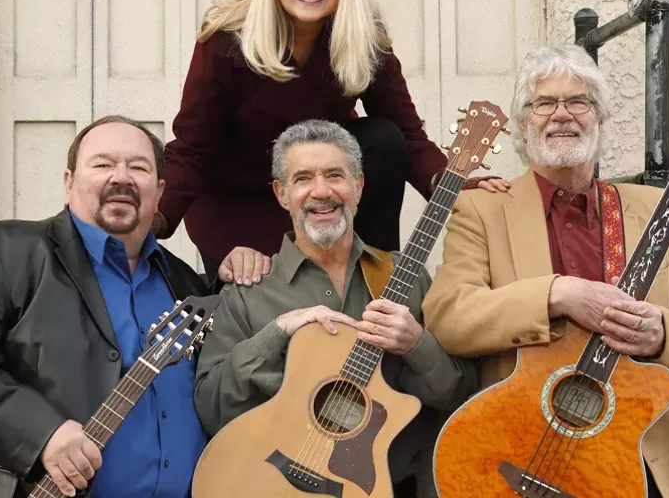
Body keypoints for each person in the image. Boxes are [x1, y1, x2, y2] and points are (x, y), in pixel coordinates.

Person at [422, 45, 669, 498]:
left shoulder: (656, 211)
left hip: (638, 457)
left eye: (579, 102)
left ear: (600, 119)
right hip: (520, 453)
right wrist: (557, 294)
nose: (562, 115)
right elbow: (449, 316)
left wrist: (662, 332)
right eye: (544, 103)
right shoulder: (482, 209)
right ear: (521, 124)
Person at [0, 116, 267, 498]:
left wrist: (235, 275)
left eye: (139, 167)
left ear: (159, 190)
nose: (122, 177)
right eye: (102, 164)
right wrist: (41, 434)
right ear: (68, 183)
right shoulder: (7, 251)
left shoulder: (184, 281)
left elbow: (217, 384)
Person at [154, 0, 506, 278]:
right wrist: (156, 218)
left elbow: (406, 133)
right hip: (239, 205)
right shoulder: (226, 41)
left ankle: (378, 272)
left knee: (382, 139)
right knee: (258, 319)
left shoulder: (363, 37)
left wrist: (447, 182)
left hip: (322, 194)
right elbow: (193, 148)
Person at [194, 120, 476, 498]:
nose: (321, 192)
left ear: (358, 186)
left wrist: (416, 343)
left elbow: (459, 399)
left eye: (334, 175)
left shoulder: (406, 278)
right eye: (303, 179)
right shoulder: (248, 291)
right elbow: (211, 408)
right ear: (281, 194)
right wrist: (276, 332)